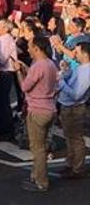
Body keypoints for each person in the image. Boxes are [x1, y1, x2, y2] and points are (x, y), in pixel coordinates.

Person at [15, 34, 58, 192]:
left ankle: (41, 181)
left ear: (37, 48)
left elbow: (25, 87)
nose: (28, 49)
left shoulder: (38, 65)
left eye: (30, 46)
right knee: (43, 146)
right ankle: (36, 174)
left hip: (37, 110)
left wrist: (19, 72)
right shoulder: (51, 64)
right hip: (50, 108)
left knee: (37, 148)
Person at [56, 41, 90, 179]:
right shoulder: (80, 67)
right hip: (67, 106)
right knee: (69, 138)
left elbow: (77, 94)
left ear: (84, 53)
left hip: (74, 108)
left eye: (76, 52)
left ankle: (78, 168)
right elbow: (69, 77)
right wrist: (65, 70)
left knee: (75, 139)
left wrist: (61, 83)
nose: (74, 54)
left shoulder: (87, 70)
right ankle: (71, 163)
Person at [0, 19, 17, 142]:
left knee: (2, 102)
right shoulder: (1, 39)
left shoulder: (6, 40)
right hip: (0, 72)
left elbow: (1, 59)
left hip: (4, 72)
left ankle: (5, 129)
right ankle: (1, 128)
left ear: (6, 28)